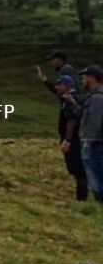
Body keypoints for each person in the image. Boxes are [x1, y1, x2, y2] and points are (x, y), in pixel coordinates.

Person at [61, 65, 103, 203]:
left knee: (97, 180)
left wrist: (87, 143)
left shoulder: (97, 98)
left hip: (95, 145)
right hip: (93, 145)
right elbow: (85, 116)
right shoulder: (93, 97)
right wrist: (73, 103)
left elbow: (95, 123)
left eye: (84, 77)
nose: (82, 80)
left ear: (92, 78)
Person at [52, 73, 89, 202]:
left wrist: (67, 140)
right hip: (74, 139)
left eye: (59, 84)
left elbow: (71, 120)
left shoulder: (71, 99)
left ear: (67, 86)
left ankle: (82, 197)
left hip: (74, 140)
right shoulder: (66, 99)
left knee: (77, 168)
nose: (56, 87)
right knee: (75, 168)